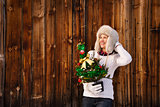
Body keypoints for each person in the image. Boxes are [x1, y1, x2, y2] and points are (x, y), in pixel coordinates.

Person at [82, 25, 132, 107]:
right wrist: (88, 86)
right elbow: (83, 74)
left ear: (110, 40)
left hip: (105, 98)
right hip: (88, 96)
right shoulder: (92, 54)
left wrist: (117, 45)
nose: (101, 40)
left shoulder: (115, 58)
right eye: (100, 37)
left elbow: (128, 59)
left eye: (105, 37)